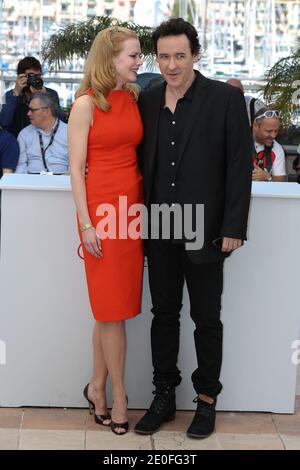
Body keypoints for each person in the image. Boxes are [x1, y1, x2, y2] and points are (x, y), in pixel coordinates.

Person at [134, 18, 252, 439]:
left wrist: (234, 225)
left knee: (207, 319)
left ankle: (206, 401)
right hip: (160, 227)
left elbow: (240, 166)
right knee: (163, 315)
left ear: (195, 54)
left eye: (179, 55)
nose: (171, 65)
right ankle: (164, 395)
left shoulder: (223, 98)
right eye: (163, 56)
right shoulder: (147, 100)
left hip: (206, 229)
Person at [68, 27, 144, 435]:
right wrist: (86, 224)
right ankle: (119, 397)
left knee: (110, 310)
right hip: (100, 217)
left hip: (131, 214)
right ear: (110, 58)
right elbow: (75, 171)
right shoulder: (85, 104)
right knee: (113, 312)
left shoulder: (131, 97)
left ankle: (96, 387)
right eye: (132, 56)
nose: (138, 62)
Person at [0, 56, 65, 137]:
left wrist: (44, 98)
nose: (35, 79)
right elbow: (4, 123)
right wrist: (16, 92)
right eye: (31, 76)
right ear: (21, 77)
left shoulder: (50, 93)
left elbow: (61, 122)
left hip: (44, 142)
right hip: (18, 143)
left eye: (38, 76)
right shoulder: (10, 96)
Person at [16, 93, 68, 174]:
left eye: (32, 110)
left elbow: (75, 165)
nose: (28, 113)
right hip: (31, 181)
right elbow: (21, 165)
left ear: (47, 111)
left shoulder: (69, 132)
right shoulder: (24, 134)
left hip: (62, 180)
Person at [252, 108, 286, 182]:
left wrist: (267, 177)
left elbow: (281, 181)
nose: (273, 136)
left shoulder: (277, 148)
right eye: (269, 131)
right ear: (255, 126)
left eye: (276, 131)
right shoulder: (239, 143)